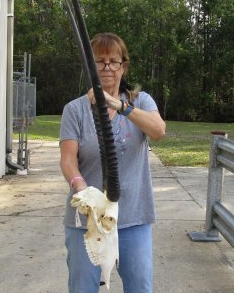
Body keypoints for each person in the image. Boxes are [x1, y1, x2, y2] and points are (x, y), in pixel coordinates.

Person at [59, 32, 166, 293]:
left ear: (123, 66)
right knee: (83, 287)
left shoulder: (140, 101)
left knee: (139, 287)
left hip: (133, 218)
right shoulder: (75, 110)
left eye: (113, 61)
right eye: (99, 61)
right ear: (90, 67)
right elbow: (68, 159)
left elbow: (158, 131)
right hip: (88, 220)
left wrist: (119, 105)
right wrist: (82, 190)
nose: (107, 68)